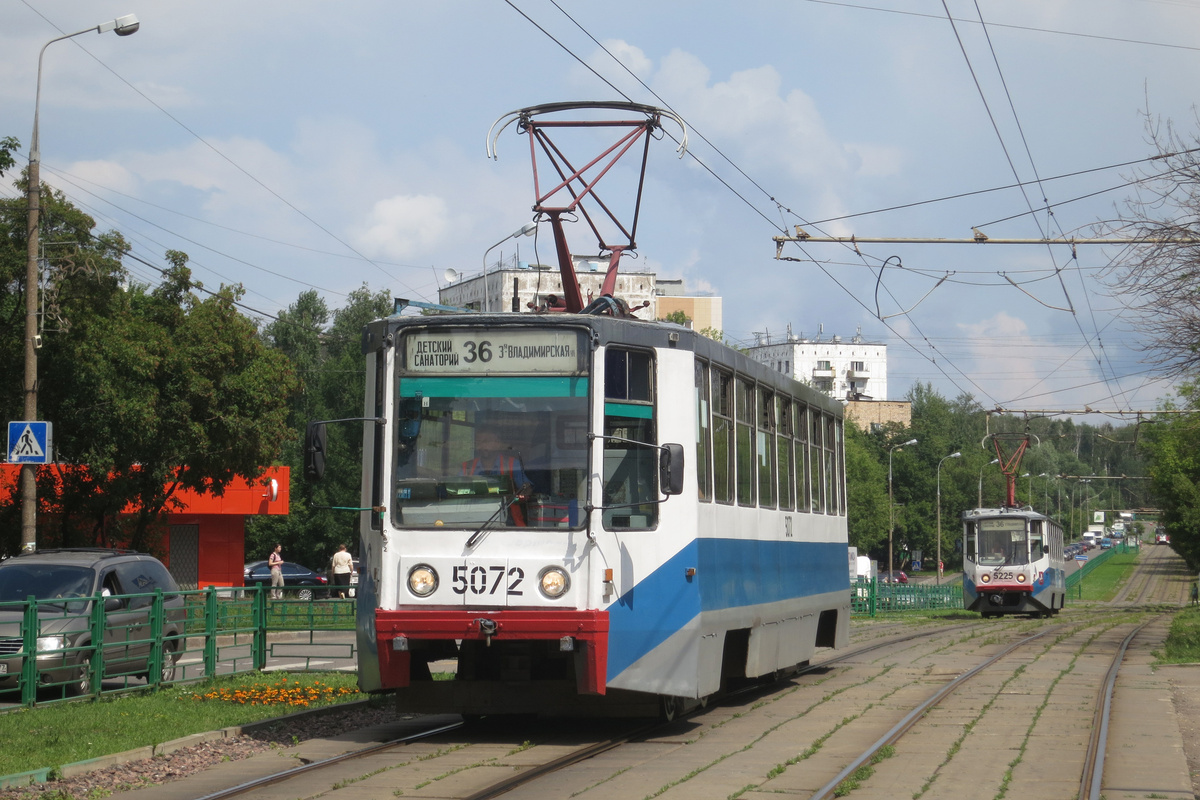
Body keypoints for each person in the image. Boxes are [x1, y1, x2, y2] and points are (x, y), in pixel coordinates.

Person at [463, 426, 532, 525]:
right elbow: (455, 489)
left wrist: (516, 498)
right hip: (472, 519)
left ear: (498, 444)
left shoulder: (512, 464)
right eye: (478, 442)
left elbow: (526, 489)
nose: (482, 446)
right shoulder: (467, 467)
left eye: (486, 441)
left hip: (508, 521)